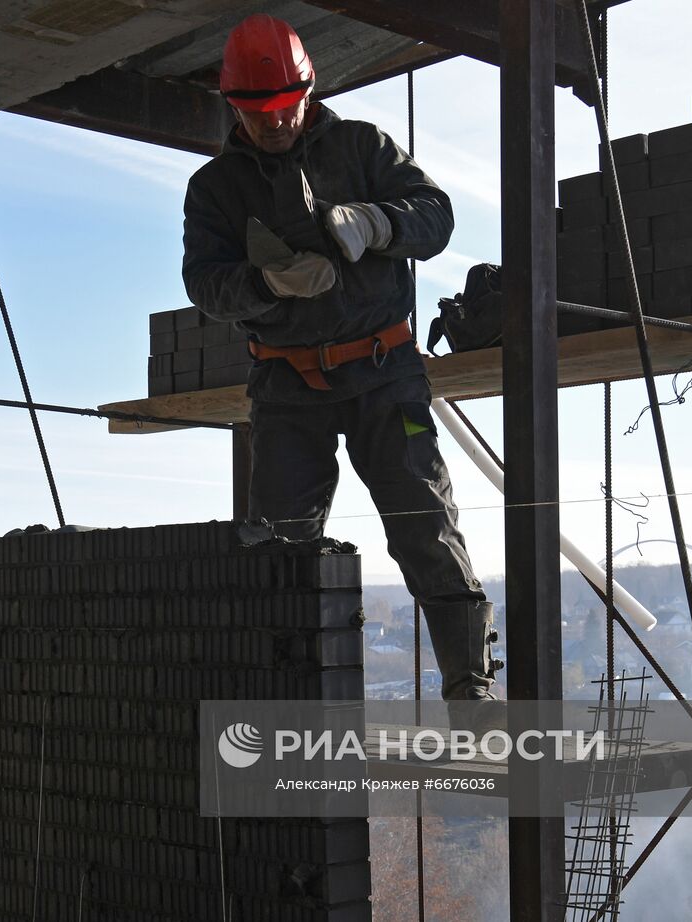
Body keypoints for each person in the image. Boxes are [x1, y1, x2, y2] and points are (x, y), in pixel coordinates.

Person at [181, 14, 501, 717]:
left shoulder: (362, 147)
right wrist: (268, 284)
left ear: (308, 88)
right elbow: (203, 284)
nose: (276, 123)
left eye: (286, 107)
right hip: (287, 386)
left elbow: (436, 217)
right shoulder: (215, 189)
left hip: (385, 374)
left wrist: (377, 224)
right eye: (259, 114)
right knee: (282, 548)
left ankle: (470, 694)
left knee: (425, 525)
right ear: (234, 106)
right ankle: (290, 705)